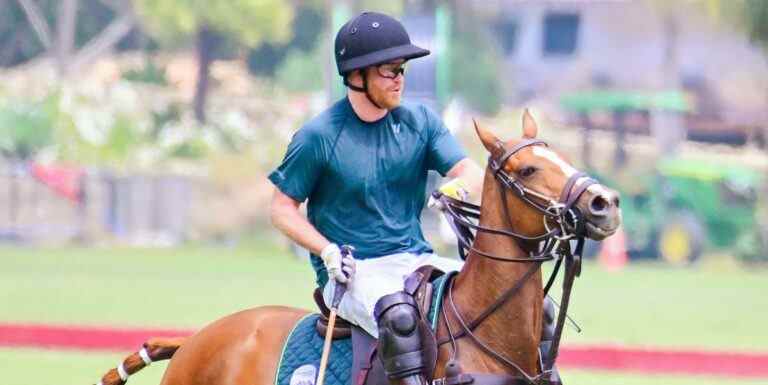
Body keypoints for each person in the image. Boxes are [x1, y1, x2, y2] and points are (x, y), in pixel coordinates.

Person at [269, 11, 482, 385]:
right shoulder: (318, 136)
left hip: (415, 260)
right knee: (399, 317)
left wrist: (452, 191)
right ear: (356, 75)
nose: (400, 78)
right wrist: (327, 251)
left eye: (402, 69)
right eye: (389, 70)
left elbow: (471, 172)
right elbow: (282, 209)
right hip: (352, 271)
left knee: (486, 295)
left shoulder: (421, 122)